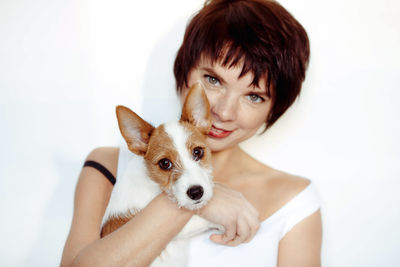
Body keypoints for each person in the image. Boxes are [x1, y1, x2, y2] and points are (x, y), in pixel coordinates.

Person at [61, 0, 322, 266]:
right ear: (184, 69)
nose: (224, 112)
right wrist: (198, 199)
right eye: (213, 79)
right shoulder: (108, 167)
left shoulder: (295, 200)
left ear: (274, 108)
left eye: (254, 96)